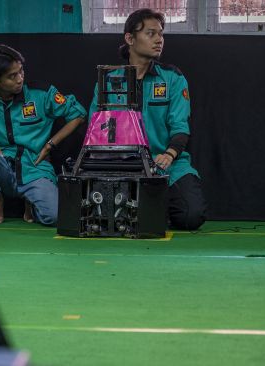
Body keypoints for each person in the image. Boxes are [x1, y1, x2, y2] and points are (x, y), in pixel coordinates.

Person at [89, 8, 207, 230]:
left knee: (191, 216)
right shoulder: (107, 80)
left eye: (161, 34)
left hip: (166, 163)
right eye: (151, 34)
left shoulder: (173, 78)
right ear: (130, 38)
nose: (159, 40)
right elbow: (95, 131)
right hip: (122, 164)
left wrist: (169, 155)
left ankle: (153, 204)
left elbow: (180, 127)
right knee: (105, 220)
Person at [0, 44, 86, 225]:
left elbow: (79, 114)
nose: (20, 79)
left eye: (21, 71)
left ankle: (32, 202)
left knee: (55, 217)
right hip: (2, 166)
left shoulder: (41, 94)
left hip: (34, 168)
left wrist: (50, 144)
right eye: (12, 76)